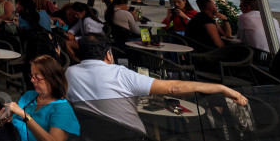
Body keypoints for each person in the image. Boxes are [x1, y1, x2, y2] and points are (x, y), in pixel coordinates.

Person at [67, 35, 247, 134]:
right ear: (108, 54)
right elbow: (174, 88)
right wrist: (222, 88)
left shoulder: (69, 73)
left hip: (90, 134)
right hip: (131, 136)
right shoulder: (120, 74)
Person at [0, 54, 79, 141]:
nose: (32, 80)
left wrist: (24, 115)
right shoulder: (30, 96)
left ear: (52, 79)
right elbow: (19, 124)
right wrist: (6, 120)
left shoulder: (62, 109)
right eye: (32, 75)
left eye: (37, 77)